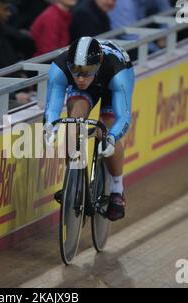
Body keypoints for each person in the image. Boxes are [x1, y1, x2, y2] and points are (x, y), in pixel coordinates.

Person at [44, 37, 135, 221]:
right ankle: (74, 183)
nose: (80, 78)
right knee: (72, 125)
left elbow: (123, 118)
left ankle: (117, 189)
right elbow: (52, 109)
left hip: (112, 86)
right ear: (69, 64)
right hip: (90, 90)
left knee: (107, 130)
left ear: (98, 64)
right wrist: (50, 129)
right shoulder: (59, 68)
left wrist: (111, 138)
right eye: (76, 72)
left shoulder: (118, 74)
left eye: (87, 72)